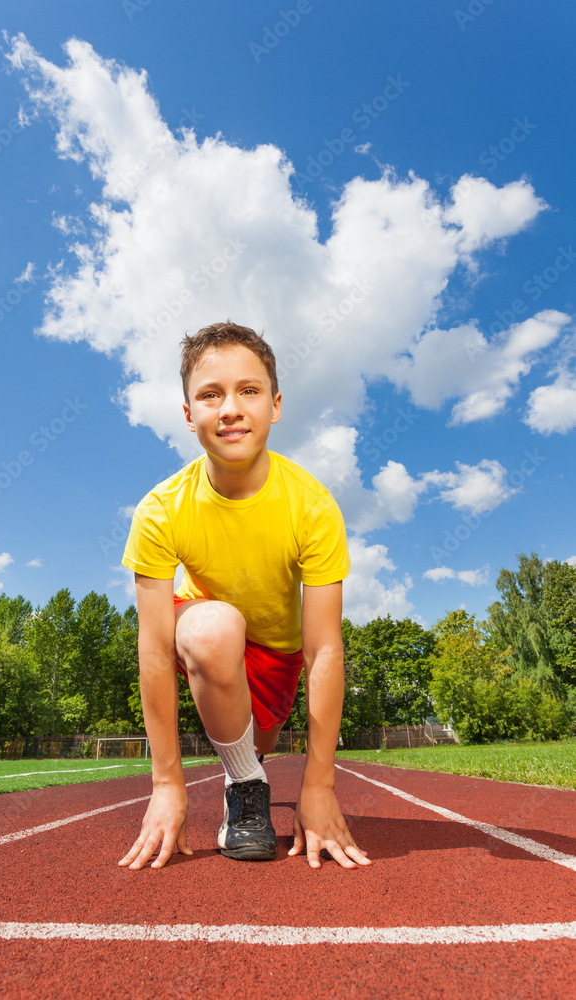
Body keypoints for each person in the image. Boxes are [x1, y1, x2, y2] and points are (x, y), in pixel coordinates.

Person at [117, 321, 371, 872]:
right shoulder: (161, 510)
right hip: (203, 629)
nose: (229, 408)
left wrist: (319, 784)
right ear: (189, 415)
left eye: (248, 390)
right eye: (210, 395)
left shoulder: (313, 506)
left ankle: (248, 767)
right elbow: (156, 648)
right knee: (215, 630)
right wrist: (166, 784)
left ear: (275, 406)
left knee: (254, 748)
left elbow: (325, 650)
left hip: (277, 656)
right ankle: (248, 793)